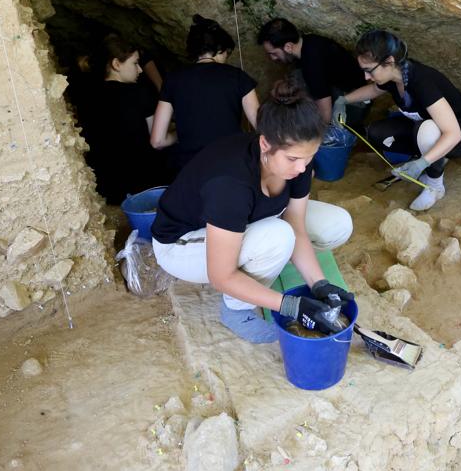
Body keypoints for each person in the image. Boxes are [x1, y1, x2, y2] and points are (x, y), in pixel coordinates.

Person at [149, 78, 355, 343]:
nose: (302, 169)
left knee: (336, 224)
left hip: (245, 219)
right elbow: (220, 275)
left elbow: (297, 224)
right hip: (180, 244)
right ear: (265, 144)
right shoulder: (230, 182)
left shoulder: (296, 162)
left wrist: (319, 284)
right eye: (293, 159)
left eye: (309, 157)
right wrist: (292, 306)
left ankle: (262, 265)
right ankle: (237, 311)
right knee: (278, 237)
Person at [340, 30, 461, 211]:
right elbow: (374, 91)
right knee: (378, 133)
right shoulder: (392, 76)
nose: (366, 77)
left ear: (389, 61)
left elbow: (453, 134)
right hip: (424, 129)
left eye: (369, 70)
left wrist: (422, 162)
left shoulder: (421, 81)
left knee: (427, 129)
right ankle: (427, 160)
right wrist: (343, 100)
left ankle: (434, 184)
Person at [152, 15, 259, 174]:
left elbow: (157, 141)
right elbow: (263, 127)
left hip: (189, 170)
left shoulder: (173, 80)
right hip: (231, 166)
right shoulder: (237, 76)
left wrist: (180, 134)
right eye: (226, 54)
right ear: (220, 50)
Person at [87, 34, 172, 204]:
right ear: (116, 64)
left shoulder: (89, 95)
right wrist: (179, 134)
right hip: (145, 181)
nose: (140, 69)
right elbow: (157, 139)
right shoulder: (139, 93)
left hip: (108, 185)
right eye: (135, 63)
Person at [257, 18, 366, 125]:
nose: (273, 58)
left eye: (274, 53)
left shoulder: (312, 65)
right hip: (345, 90)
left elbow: (326, 115)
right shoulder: (309, 41)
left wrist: (316, 134)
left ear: (288, 46)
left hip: (354, 106)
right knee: (295, 78)